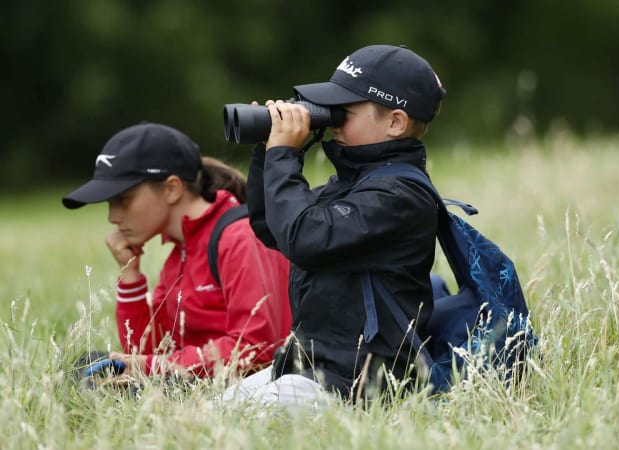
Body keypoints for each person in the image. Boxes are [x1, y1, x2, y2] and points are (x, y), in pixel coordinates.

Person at [223, 44, 446, 408]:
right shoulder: (356, 183)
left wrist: (284, 155)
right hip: (313, 367)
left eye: (345, 111)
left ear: (395, 122)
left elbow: (304, 238)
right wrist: (267, 152)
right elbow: (272, 227)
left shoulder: (399, 196)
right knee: (209, 414)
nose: (332, 121)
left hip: (357, 382)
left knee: (236, 421)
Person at [62, 122, 293, 379]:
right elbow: (145, 351)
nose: (113, 217)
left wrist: (155, 366)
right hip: (210, 382)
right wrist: (130, 274)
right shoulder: (181, 252)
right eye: (110, 203)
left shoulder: (240, 238)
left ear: (172, 189)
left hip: (265, 384)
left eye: (123, 200)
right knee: (87, 365)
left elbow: (255, 349)